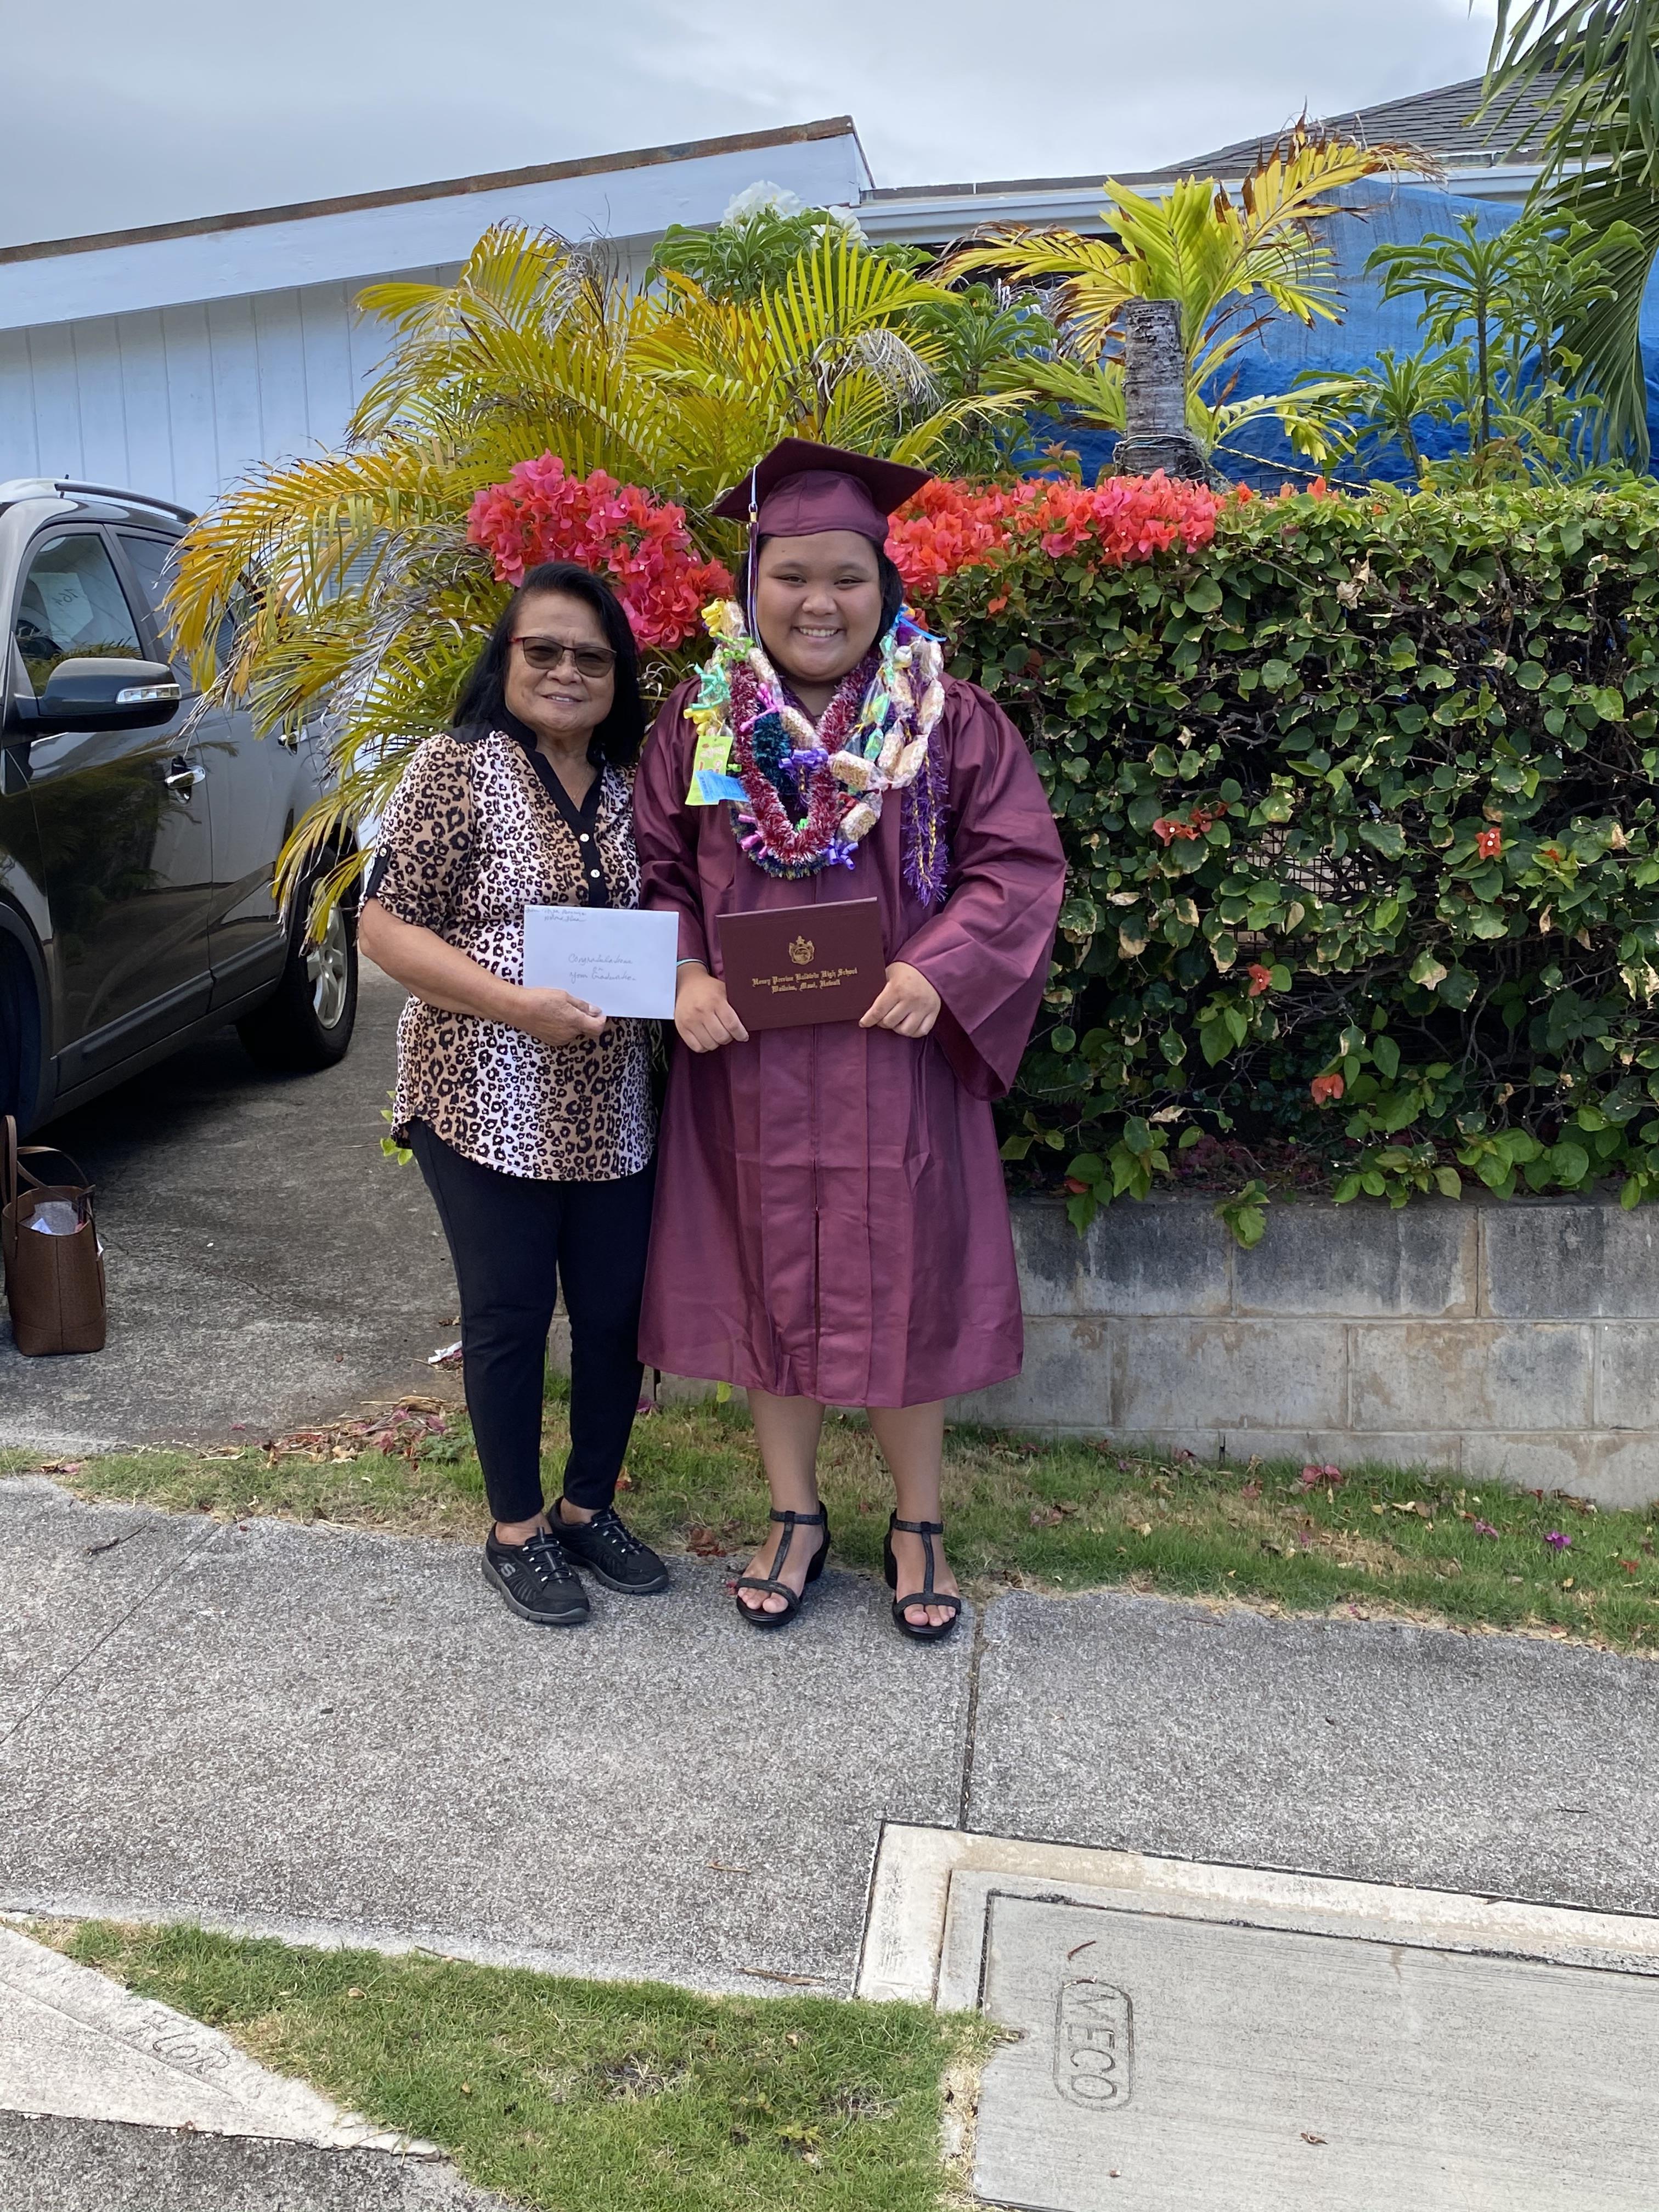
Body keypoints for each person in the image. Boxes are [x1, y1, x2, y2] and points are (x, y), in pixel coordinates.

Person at [632, 439, 1065, 1641]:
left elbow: (1017, 867)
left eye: (848, 579)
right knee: (766, 1290)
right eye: (792, 577)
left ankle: (918, 1521)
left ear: (886, 589)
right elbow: (656, 870)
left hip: (895, 1061)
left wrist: (943, 968)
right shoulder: (699, 722)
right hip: (752, 1065)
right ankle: (795, 1514)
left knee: (907, 1289)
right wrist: (681, 974)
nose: (819, 603)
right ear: (750, 583)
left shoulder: (946, 720)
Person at [359, 561, 668, 1627]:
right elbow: (384, 929)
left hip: (613, 1105)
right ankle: (517, 1531)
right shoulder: (454, 770)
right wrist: (513, 1005)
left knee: (618, 1314)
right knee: (509, 1314)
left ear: (618, 674)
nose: (567, 670)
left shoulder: (637, 789)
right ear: (507, 660)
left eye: (591, 655)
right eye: (543, 650)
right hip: (481, 1093)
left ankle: (588, 1509)